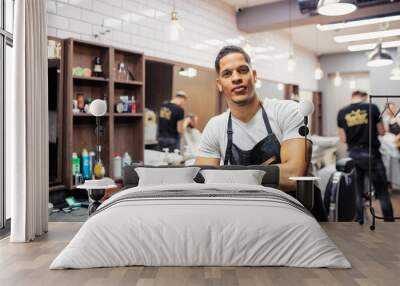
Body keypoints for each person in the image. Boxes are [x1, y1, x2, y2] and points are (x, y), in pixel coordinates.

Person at [195, 45, 312, 192]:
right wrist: (267, 174)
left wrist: (227, 176)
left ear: (254, 75)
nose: (236, 78)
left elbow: (293, 176)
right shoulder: (216, 126)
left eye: (242, 70)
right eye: (227, 74)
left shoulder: (288, 112)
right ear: (219, 84)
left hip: (294, 207)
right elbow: (202, 181)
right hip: (245, 209)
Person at [337, 90, 394, 222]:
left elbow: (343, 139)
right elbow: (382, 131)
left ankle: (360, 222)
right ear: (364, 97)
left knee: (358, 192)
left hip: (352, 156)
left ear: (352, 98)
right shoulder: (372, 107)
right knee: (382, 193)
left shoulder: (341, 112)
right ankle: (390, 225)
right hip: (371, 154)